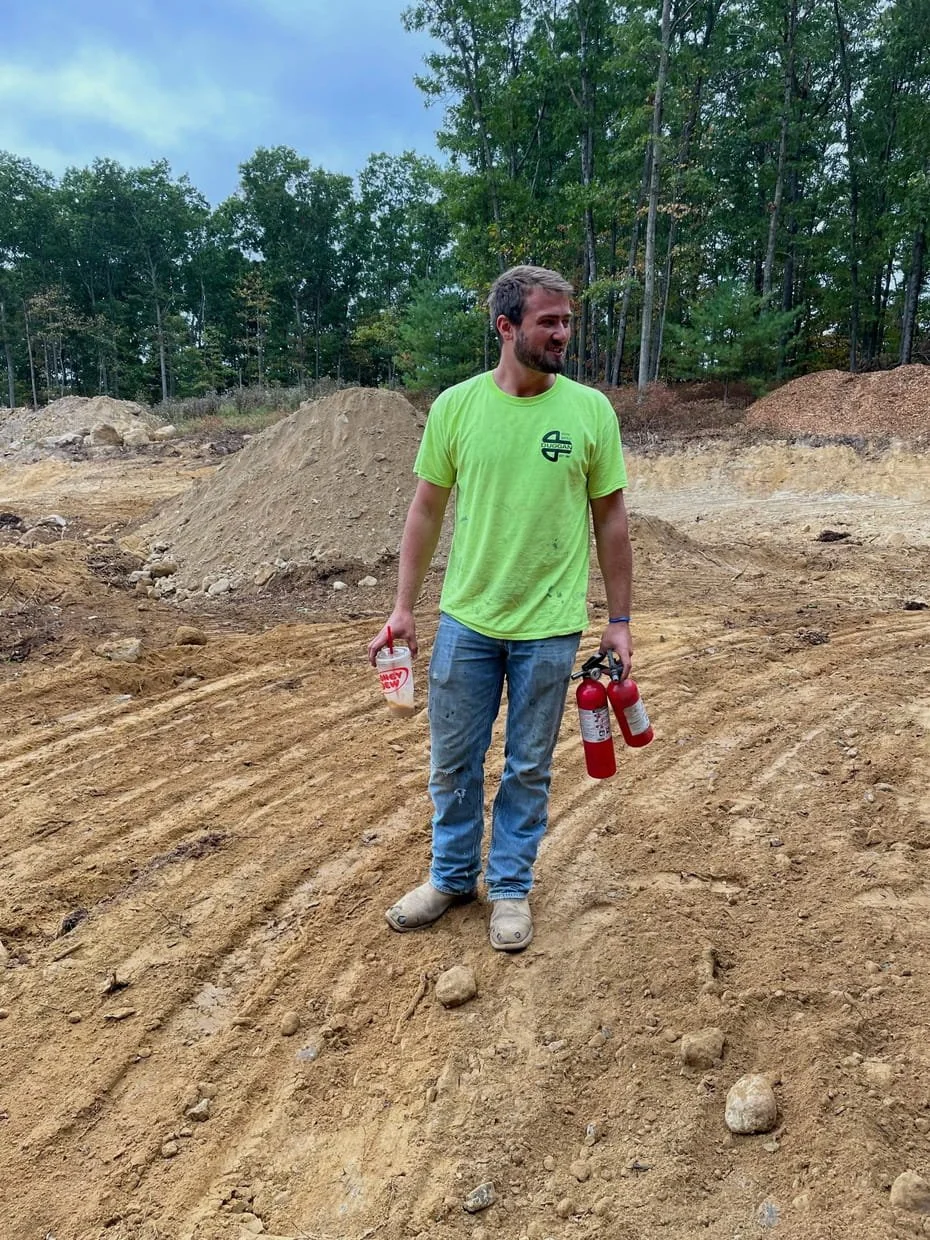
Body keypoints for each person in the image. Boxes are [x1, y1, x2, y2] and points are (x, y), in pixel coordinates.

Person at [367, 264, 633, 952]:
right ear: (506, 326)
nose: (563, 333)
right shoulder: (456, 409)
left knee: (527, 766)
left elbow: (612, 521)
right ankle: (452, 877)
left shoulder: (589, 411)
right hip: (467, 622)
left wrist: (620, 622)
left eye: (568, 321)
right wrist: (403, 609)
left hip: (549, 627)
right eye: (549, 321)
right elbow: (425, 511)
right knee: (452, 761)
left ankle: (510, 887)